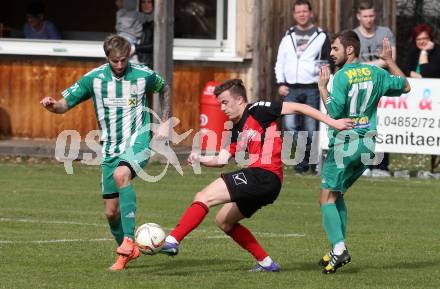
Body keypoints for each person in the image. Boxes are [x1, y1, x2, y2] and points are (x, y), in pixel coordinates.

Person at [159, 79, 353, 272]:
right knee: (224, 221)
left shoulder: (258, 109)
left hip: (264, 175)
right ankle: (266, 263)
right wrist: (200, 158)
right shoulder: (236, 128)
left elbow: (299, 107)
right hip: (265, 184)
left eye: (225, 102)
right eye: (220, 104)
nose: (222, 108)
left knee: (203, 197)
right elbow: (222, 159)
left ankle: (172, 240)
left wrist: (332, 122)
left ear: (240, 100)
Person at [40, 34, 171, 271]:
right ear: (107, 58)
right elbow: (63, 105)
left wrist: (165, 121)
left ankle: (130, 240)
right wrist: (52, 106)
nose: (120, 65)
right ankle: (126, 251)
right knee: (111, 213)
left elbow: (164, 88)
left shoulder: (143, 74)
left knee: (123, 175)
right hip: (110, 148)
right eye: (115, 61)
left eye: (123, 60)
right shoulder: (94, 79)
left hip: (138, 140)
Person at [317, 30, 410, 274]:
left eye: (335, 48)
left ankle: (339, 249)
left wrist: (323, 89)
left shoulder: (340, 77)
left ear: (350, 50)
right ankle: (336, 248)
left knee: (326, 198)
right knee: (337, 195)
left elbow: (335, 114)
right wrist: (390, 62)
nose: (331, 53)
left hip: (344, 145)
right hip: (368, 145)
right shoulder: (377, 72)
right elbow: (406, 85)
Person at [275, 0, 332, 175]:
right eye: (298, 11)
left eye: (305, 11)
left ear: (311, 13)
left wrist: (322, 82)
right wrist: (280, 83)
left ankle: (313, 163)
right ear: (294, 14)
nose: (302, 14)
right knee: (291, 126)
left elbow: (327, 62)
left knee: (310, 127)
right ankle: (301, 162)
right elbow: (280, 62)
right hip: (290, 88)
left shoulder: (321, 35)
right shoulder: (288, 35)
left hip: (312, 88)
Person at [353, 0, 396, 177]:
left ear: (375, 15)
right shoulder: (353, 36)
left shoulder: (385, 33)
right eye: (365, 16)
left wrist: (367, 65)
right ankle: (362, 164)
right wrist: (379, 62)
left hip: (381, 85)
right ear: (358, 17)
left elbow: (391, 58)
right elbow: (352, 64)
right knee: (361, 124)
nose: (369, 19)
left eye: (371, 15)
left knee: (383, 123)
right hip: (360, 87)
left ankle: (382, 166)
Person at [403, 23, 440, 173]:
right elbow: (405, 69)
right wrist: (416, 75)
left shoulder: (437, 51)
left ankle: (432, 165)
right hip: (415, 99)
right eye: (419, 39)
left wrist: (424, 52)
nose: (422, 42)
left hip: (434, 100)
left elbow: (428, 72)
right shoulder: (413, 51)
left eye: (425, 39)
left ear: (430, 39)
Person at [135, 0, 155, 67]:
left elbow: (157, 45)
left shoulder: (157, 22)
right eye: (143, 2)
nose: (146, 5)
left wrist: (135, 48)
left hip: (148, 62)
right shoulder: (136, 20)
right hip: (134, 61)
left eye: (149, 2)